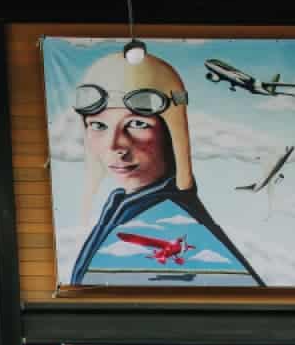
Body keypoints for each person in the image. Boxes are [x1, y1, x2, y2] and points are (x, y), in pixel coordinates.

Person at [69, 49, 264, 287]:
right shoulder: (124, 205)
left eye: (137, 124)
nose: (115, 145)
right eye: (98, 125)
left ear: (171, 133)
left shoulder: (171, 218)